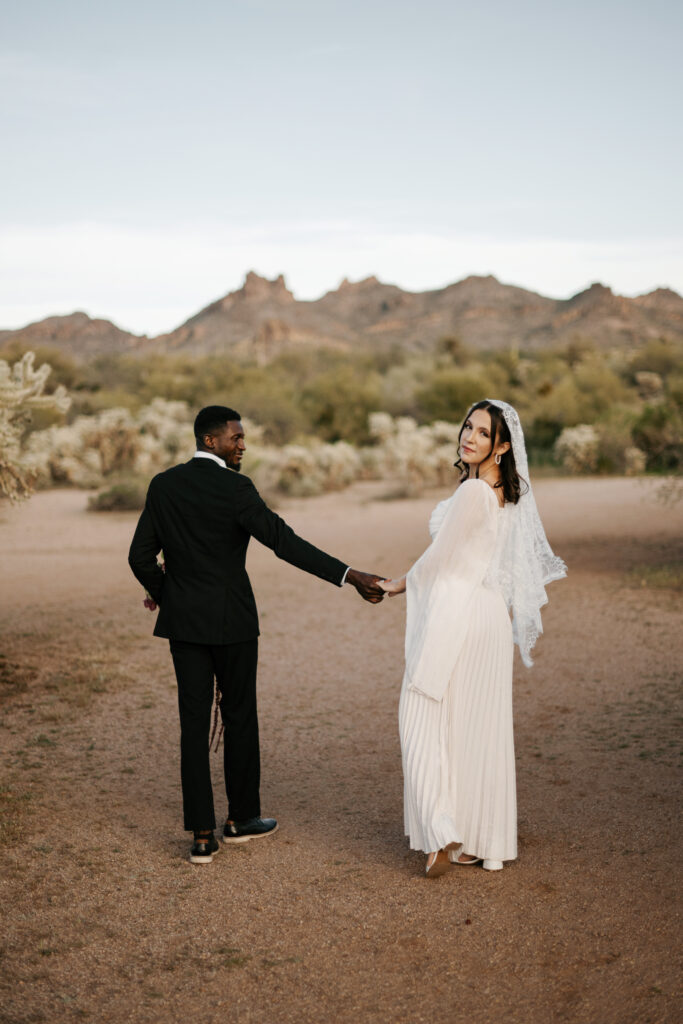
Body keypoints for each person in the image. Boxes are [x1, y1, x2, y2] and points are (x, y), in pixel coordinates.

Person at [129, 405, 385, 864]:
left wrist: (169, 595)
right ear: (210, 440)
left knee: (193, 724)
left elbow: (139, 557)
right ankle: (241, 819)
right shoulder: (236, 488)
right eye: (237, 438)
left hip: (184, 625)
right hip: (234, 622)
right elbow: (284, 542)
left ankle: (202, 836)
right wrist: (350, 575)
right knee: (240, 715)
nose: (243, 445)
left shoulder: (163, 485)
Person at [380, 399, 566, 877]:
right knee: (478, 728)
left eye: (483, 433)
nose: (470, 437)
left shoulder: (473, 492)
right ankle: (484, 843)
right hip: (489, 614)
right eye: (468, 427)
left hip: (458, 611)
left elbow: (440, 557)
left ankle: (443, 831)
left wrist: (398, 584)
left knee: (419, 713)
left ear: (502, 446)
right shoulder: (503, 492)